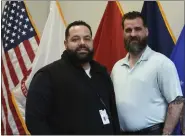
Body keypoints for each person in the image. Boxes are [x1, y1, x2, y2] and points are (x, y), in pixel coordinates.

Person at [25, 20, 120, 135]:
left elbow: (112, 112)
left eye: (87, 38)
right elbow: (34, 121)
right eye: (75, 39)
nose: (82, 43)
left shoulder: (102, 72)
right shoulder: (48, 75)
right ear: (66, 44)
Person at [111, 11, 184, 135]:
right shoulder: (117, 67)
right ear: (123, 33)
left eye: (137, 29)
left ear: (146, 31)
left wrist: (166, 134)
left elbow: (177, 102)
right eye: (128, 30)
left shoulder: (161, 63)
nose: (133, 34)